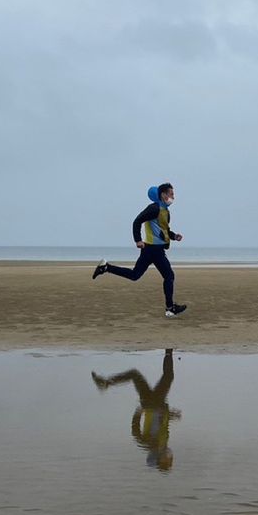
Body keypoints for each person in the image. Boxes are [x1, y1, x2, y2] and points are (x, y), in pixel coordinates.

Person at [92, 182, 187, 317]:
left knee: (135, 275)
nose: (173, 197)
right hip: (152, 250)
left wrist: (174, 236)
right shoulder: (154, 208)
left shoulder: (166, 211)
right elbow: (137, 221)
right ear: (163, 195)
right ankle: (170, 308)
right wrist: (138, 240)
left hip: (155, 250)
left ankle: (106, 268)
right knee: (169, 276)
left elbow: (164, 230)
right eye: (171, 194)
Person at [91, 349, 181, 471]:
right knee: (136, 375)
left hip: (153, 404)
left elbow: (136, 431)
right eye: (171, 461)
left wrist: (138, 413)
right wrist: (170, 415)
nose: (171, 458)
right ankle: (106, 383)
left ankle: (169, 351)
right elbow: (161, 424)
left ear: (160, 459)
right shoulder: (162, 444)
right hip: (153, 404)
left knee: (166, 376)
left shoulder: (151, 444)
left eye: (168, 461)